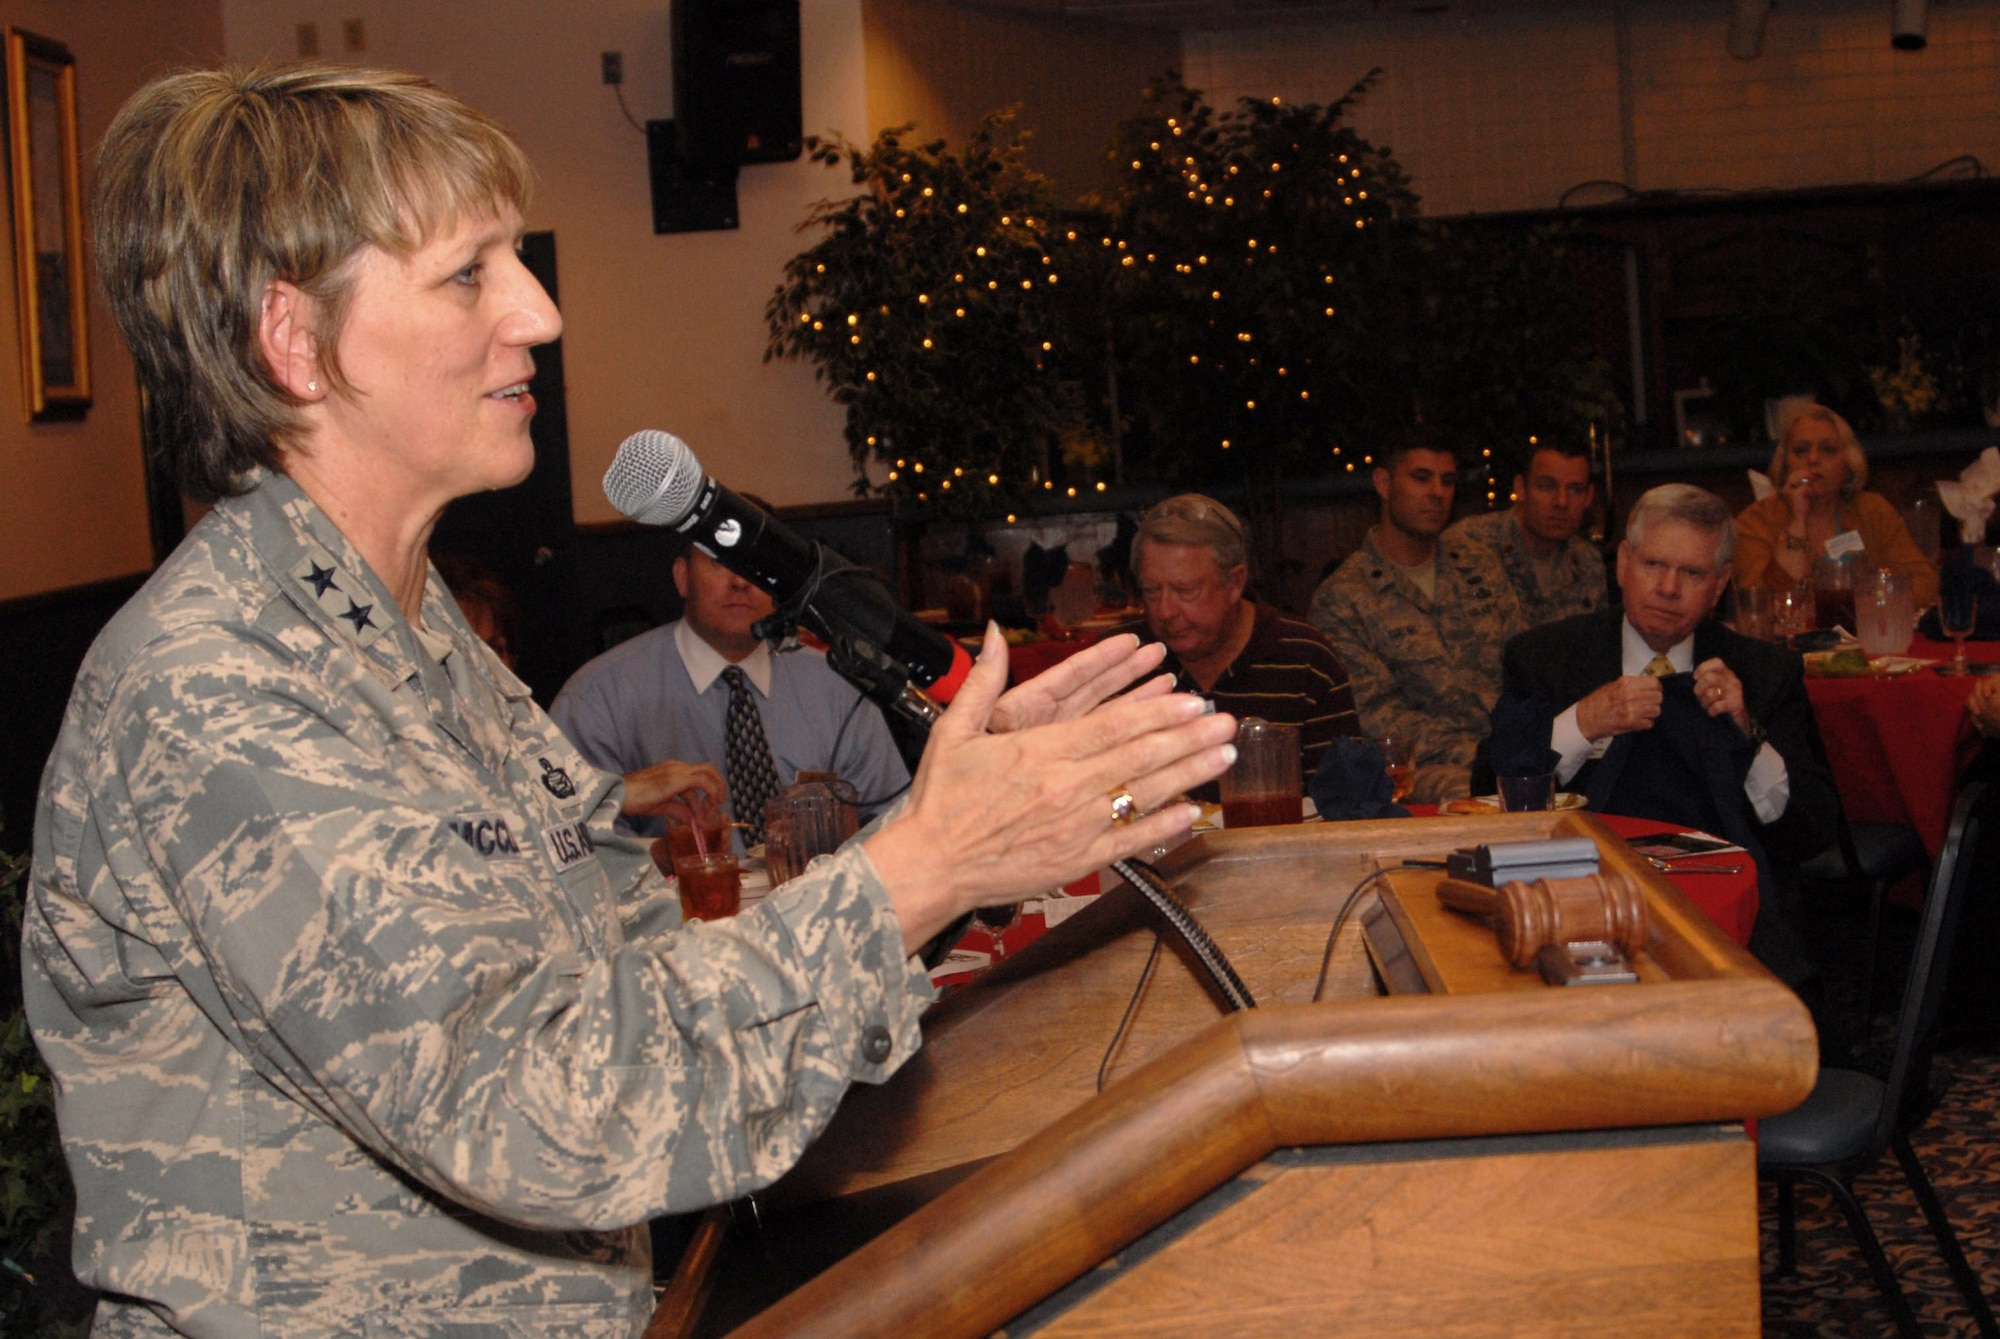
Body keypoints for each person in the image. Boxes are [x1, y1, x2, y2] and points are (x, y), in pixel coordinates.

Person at [23, 64, 1238, 1339]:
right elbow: (530, 1111)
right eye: (467, 274)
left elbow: (644, 969)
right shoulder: (221, 683)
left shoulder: (412, 633)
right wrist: (926, 868)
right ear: (294, 340)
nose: (539, 313)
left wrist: (952, 839)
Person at [1485, 485, 1839, 1017]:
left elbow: (1812, 829)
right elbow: (1484, 796)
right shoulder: (1545, 657)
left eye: (1692, 574)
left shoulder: (1764, 673)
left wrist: (1747, 736)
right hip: (1576, 912)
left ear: (1719, 585)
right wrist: (1581, 724)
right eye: (1654, 564)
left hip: (1729, 926)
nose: (1669, 588)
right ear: (1624, 563)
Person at [551, 530, 911, 851]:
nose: (741, 581)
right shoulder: (599, 696)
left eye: (758, 567)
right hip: (675, 915)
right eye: (722, 562)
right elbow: (570, 841)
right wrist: (668, 855)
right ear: (682, 577)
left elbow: (893, 819)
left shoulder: (836, 685)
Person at [1308, 434, 1526, 803]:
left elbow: (1522, 665)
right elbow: (1378, 719)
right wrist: (1485, 756)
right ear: (1383, 483)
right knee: (1477, 792)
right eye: (1421, 478)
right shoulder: (1344, 598)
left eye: (1448, 481)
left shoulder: (1479, 567)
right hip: (1418, 769)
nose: (1437, 493)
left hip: (1505, 751)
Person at [1122, 494, 1358, 795]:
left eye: (1186, 591)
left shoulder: (1305, 659)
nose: (1165, 611)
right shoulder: (1124, 662)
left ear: (1234, 583)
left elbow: (1346, 803)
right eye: (1152, 592)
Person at [1732, 399, 1938, 607]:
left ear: (1848, 464)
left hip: (1864, 633)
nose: (1813, 459)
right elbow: (1755, 601)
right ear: (1785, 462)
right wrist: (1797, 522)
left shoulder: (1873, 510)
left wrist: (1867, 600)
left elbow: (1925, 584)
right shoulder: (1756, 520)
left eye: (1828, 450)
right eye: (1801, 450)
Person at [1443, 438, 1606, 628]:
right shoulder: (1468, 545)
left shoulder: (1587, 562)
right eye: (1547, 486)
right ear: (1521, 488)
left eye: (1575, 490)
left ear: (1588, 497)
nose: (1561, 502)